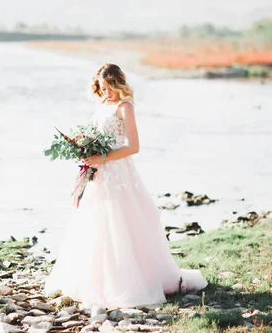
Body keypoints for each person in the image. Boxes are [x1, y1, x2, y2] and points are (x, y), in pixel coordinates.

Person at [44, 63, 207, 307]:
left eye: (110, 87)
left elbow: (134, 146)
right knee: (94, 221)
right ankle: (90, 279)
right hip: (98, 172)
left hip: (118, 173)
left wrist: (104, 158)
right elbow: (96, 135)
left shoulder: (125, 107)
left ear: (119, 83)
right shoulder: (102, 105)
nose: (106, 92)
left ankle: (127, 283)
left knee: (120, 223)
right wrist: (86, 150)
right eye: (102, 87)